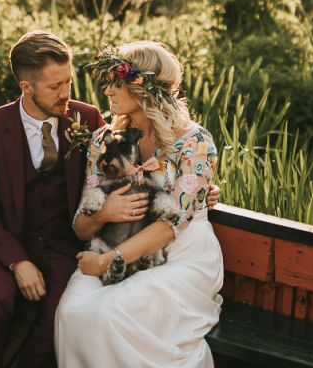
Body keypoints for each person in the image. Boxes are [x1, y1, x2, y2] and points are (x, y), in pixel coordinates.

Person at [0, 31, 221, 368]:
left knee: (78, 312)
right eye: (55, 86)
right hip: (17, 244)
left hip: (136, 250)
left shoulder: (87, 119)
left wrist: (203, 193)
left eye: (68, 82)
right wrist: (99, 215)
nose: (67, 93)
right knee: (4, 302)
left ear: (144, 88)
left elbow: (175, 208)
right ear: (26, 87)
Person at [54, 41, 224, 368]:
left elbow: (171, 226)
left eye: (116, 83)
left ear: (144, 87)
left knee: (111, 315)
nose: (108, 91)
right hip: (113, 242)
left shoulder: (195, 142)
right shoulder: (104, 141)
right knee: (72, 312)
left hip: (180, 255)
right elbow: (81, 228)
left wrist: (108, 262)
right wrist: (103, 214)